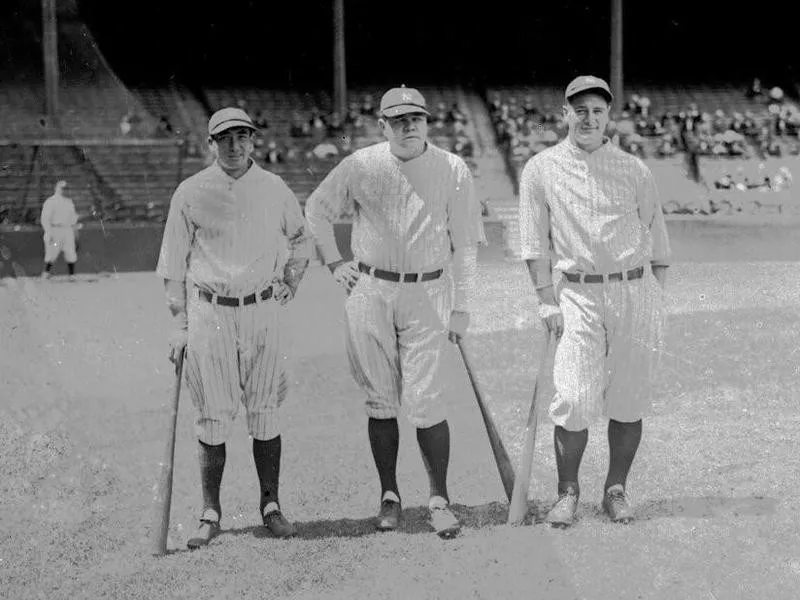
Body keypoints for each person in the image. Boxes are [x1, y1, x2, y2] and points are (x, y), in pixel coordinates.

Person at [305, 86, 485, 539]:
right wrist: (333, 261)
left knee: (425, 401)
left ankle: (439, 498)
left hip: (429, 291)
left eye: (416, 119)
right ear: (382, 125)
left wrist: (462, 307)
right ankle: (389, 496)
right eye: (399, 120)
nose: (409, 127)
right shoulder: (361, 164)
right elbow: (317, 209)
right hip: (370, 287)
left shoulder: (453, 168)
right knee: (380, 399)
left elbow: (464, 246)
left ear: (427, 122)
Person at [156, 107, 313, 549]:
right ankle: (211, 511)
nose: (235, 144)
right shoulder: (190, 192)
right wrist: (177, 324)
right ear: (211, 143)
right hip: (210, 313)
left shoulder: (274, 187)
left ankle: (271, 506)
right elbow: (173, 264)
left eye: (242, 136)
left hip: (262, 309)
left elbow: (302, 240)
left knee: (264, 409)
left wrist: (291, 282)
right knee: (212, 416)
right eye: (225, 137)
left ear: (253, 140)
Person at [518, 75, 671, 528]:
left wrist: (654, 299)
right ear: (565, 114)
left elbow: (657, 240)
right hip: (577, 293)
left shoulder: (633, 169)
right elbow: (533, 242)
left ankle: (616, 490)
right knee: (573, 396)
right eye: (579, 110)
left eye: (597, 111)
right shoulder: (540, 168)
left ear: (608, 117)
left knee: (629, 397)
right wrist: (545, 300)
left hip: (634, 290)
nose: (588, 118)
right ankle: (568, 492)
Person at [40, 180, 79, 280]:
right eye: (62, 188)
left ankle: (71, 275)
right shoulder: (51, 201)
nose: (64, 190)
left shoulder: (69, 202)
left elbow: (73, 218)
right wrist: (48, 232)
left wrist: (75, 232)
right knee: (52, 252)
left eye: (66, 188)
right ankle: (46, 273)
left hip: (67, 230)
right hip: (55, 229)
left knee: (70, 252)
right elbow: (45, 218)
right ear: (57, 189)